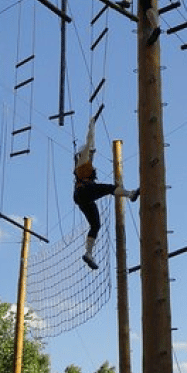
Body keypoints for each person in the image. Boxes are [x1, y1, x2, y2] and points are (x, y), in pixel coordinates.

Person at [73, 115, 139, 269]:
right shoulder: (82, 160)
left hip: (82, 198)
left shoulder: (84, 164)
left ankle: (88, 253)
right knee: (110, 188)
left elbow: (92, 146)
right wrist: (91, 126)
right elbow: (90, 141)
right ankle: (130, 194)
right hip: (85, 192)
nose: (92, 155)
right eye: (90, 153)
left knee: (95, 225)